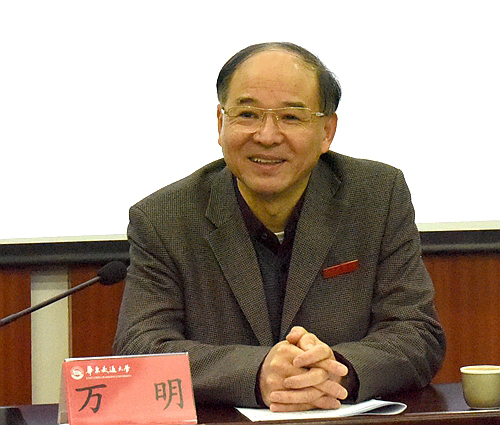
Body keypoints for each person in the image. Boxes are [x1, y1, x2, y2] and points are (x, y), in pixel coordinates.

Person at [113, 42, 446, 411]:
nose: (267, 136)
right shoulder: (164, 217)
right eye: (248, 114)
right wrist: (256, 373)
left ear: (327, 131)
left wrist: (337, 370)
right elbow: (140, 349)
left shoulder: (377, 196)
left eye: (290, 117)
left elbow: (417, 334)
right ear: (221, 123)